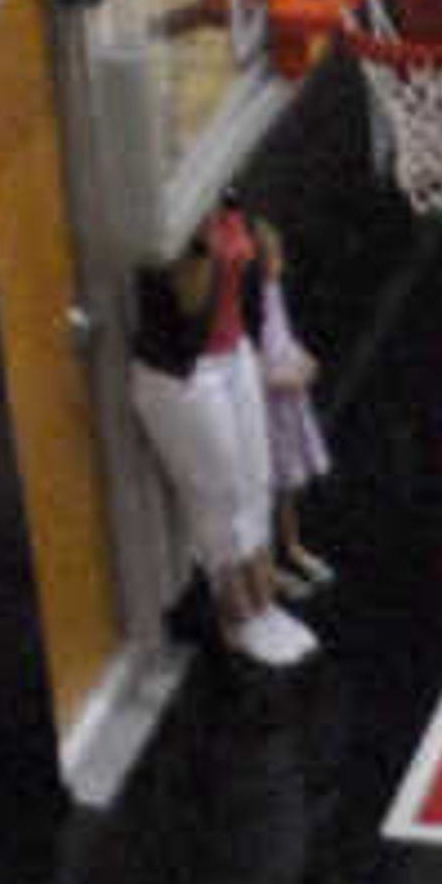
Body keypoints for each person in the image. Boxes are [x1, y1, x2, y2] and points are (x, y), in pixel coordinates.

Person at [125, 209, 307, 673]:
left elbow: (257, 259)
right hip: (185, 374)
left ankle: (266, 603)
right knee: (218, 493)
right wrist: (202, 244)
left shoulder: (224, 197)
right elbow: (188, 301)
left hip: (234, 354)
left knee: (255, 480)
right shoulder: (162, 230)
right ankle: (238, 613)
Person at [246, 213, 335, 610]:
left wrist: (303, 360)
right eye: (273, 258)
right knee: (265, 489)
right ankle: (268, 569)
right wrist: (287, 380)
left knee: (288, 485)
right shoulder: (248, 313)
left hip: (287, 404)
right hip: (264, 413)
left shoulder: (273, 292)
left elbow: (284, 340)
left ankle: (293, 545)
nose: (280, 264)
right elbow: (252, 370)